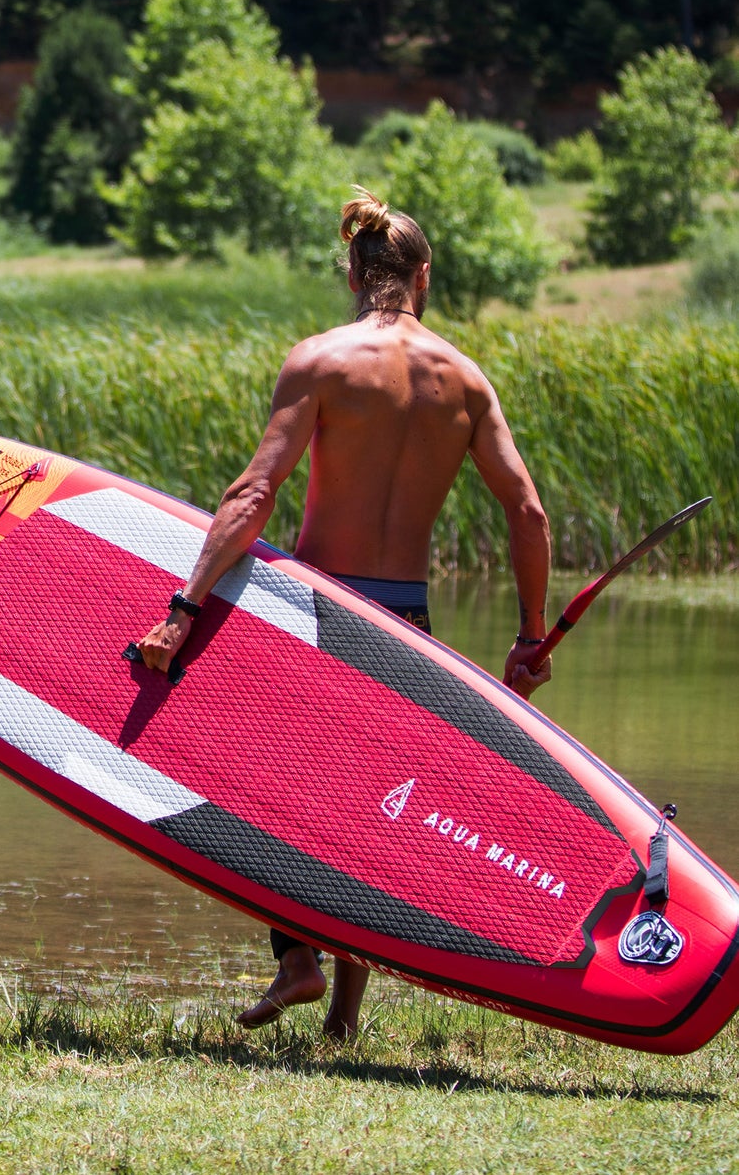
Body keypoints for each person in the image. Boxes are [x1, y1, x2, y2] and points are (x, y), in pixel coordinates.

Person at [132, 187, 555, 1040]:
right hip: (406, 626)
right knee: (372, 809)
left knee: (268, 788)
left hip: (320, 611)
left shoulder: (322, 361)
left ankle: (297, 961)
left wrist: (185, 606)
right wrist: (530, 633)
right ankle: (344, 1015)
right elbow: (529, 513)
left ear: (354, 270)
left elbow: (256, 490)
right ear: (424, 276)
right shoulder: (465, 381)